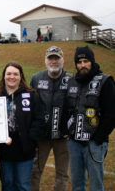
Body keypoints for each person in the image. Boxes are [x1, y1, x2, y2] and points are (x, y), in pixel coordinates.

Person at [64, 46, 115, 191]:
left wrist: (98, 138)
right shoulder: (71, 81)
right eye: (79, 62)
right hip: (74, 142)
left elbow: (111, 115)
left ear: (92, 61)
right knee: (77, 183)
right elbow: (67, 109)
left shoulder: (105, 81)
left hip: (94, 143)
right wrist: (68, 133)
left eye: (86, 61)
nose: (83, 65)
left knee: (96, 185)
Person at [0, 62, 43, 191]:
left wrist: (31, 139)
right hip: (4, 149)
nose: (12, 77)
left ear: (21, 76)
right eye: (8, 73)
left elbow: (39, 119)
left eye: (15, 74)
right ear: (3, 76)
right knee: (8, 183)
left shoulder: (31, 95)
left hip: (24, 148)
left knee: (22, 185)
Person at [30, 46, 70, 191]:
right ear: (45, 60)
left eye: (57, 58)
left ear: (62, 60)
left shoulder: (70, 79)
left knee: (62, 173)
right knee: (35, 171)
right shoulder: (36, 78)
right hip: (42, 136)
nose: (54, 61)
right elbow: (31, 105)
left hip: (63, 137)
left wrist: (69, 130)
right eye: (51, 58)